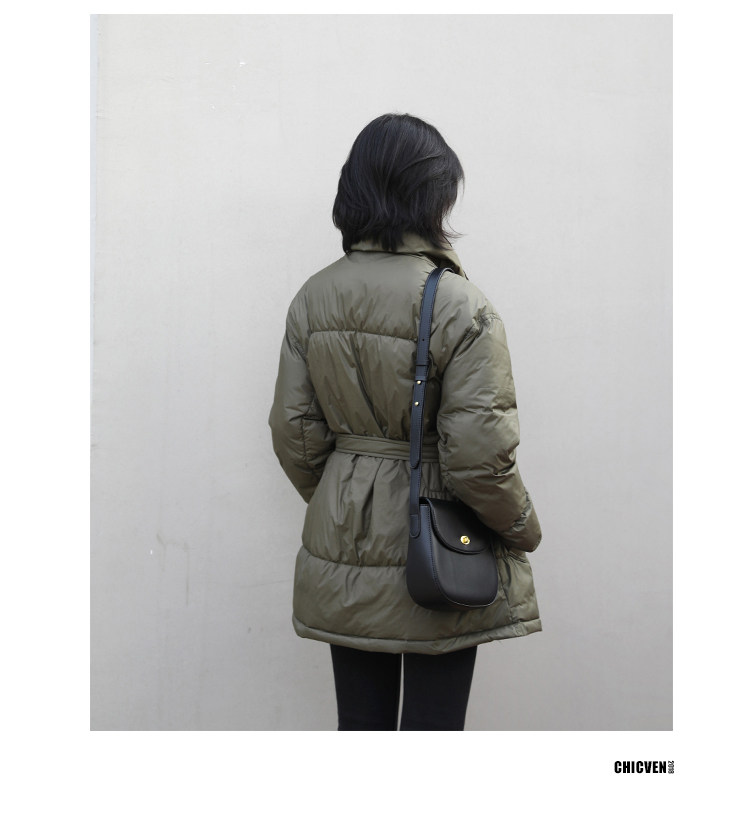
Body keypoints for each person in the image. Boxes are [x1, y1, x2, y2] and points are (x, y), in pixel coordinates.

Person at [268, 113, 543, 731]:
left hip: (344, 543)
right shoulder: (460, 305)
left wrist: (346, 496)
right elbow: (478, 457)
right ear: (431, 196)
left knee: (360, 730)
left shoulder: (313, 297)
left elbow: (293, 433)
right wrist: (521, 528)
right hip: (441, 550)